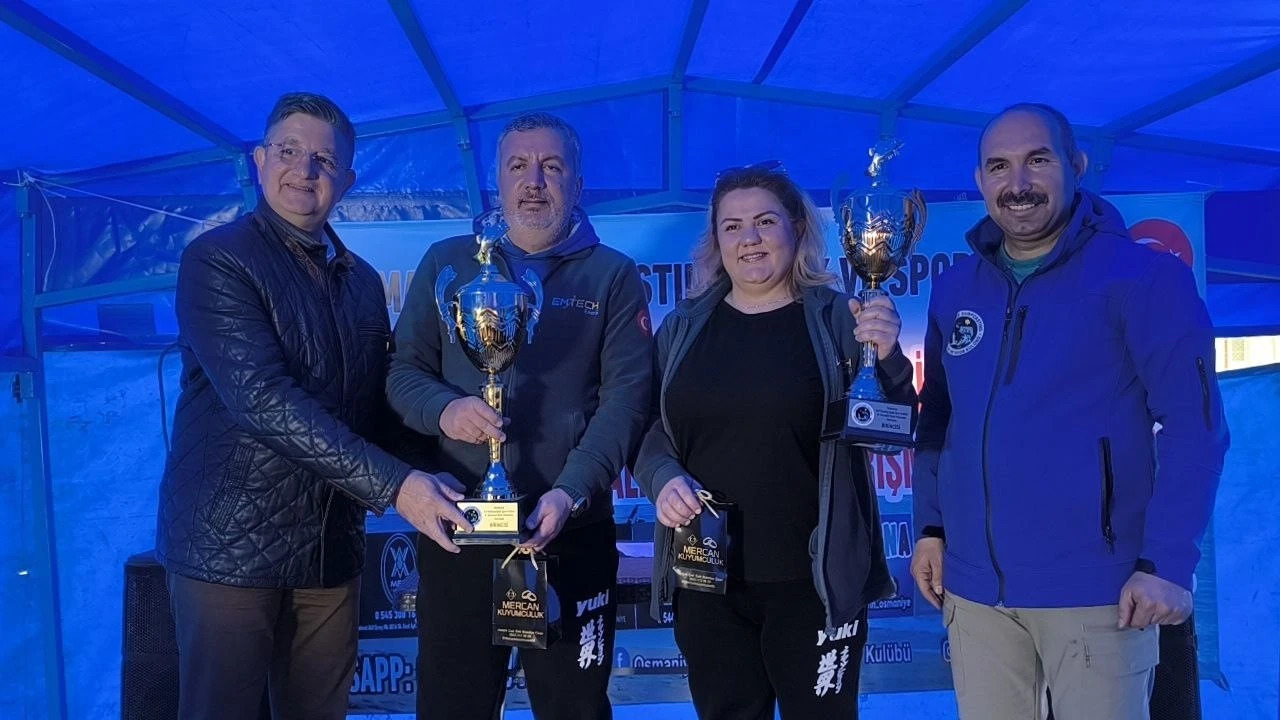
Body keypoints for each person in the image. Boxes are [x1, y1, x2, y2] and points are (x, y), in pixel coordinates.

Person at [910, 102, 1229, 720]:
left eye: (1037, 160)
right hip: (976, 595)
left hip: (1098, 593)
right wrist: (932, 529)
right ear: (979, 180)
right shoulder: (955, 288)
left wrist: (1166, 563)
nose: (1018, 183)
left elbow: (1196, 427)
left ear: (1076, 165)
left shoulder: (1143, 278)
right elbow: (938, 421)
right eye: (999, 166)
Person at [156, 92, 463, 720]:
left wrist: (455, 468)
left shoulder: (363, 281)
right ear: (260, 159)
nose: (305, 170)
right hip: (230, 549)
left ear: (347, 180)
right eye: (289, 151)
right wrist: (398, 486)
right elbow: (263, 400)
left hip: (329, 547)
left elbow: (376, 405)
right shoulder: (218, 259)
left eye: (324, 159)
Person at [386, 111, 653, 720]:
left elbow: (626, 400)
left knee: (575, 710)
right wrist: (444, 410)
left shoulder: (612, 275)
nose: (534, 182)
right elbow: (401, 375)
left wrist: (571, 491)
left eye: (551, 167)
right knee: (452, 708)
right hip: (458, 528)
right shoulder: (448, 263)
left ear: (578, 183)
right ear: (497, 182)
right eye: (518, 166)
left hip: (569, 532)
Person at [632, 162, 916, 719]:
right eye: (732, 226)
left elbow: (891, 434)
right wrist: (662, 478)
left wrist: (886, 359)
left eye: (765, 222)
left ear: (797, 229)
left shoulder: (841, 319)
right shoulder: (683, 328)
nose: (750, 239)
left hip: (813, 582)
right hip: (707, 578)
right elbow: (647, 426)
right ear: (716, 241)